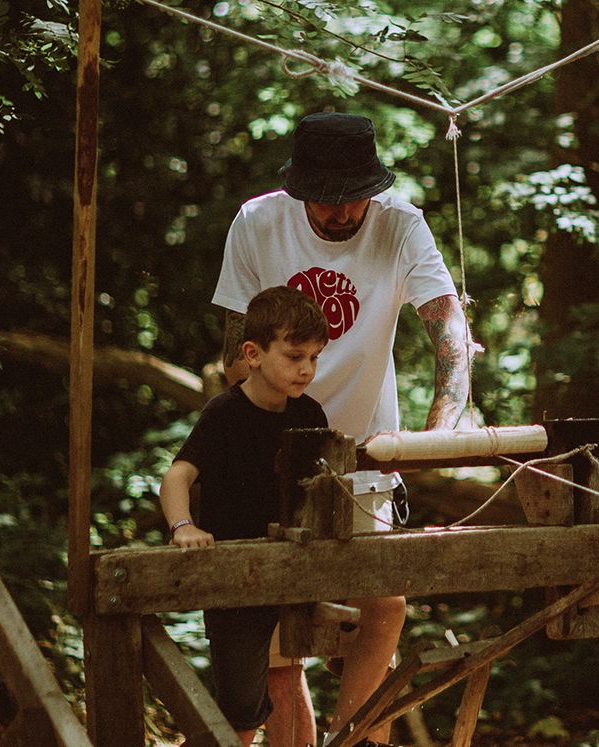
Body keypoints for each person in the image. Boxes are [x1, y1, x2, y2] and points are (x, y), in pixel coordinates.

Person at [213, 111, 472, 746]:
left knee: (384, 603)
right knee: (275, 627)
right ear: (299, 190)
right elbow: (232, 351)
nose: (338, 213)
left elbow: (451, 336)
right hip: (272, 447)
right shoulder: (257, 223)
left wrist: (437, 432)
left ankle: (353, 737)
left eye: (352, 197)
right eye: (323, 201)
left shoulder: (402, 224)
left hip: (366, 448)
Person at [160, 286, 330, 746]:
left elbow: (320, 489)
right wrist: (184, 526)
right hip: (234, 579)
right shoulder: (225, 413)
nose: (307, 369)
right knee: (238, 716)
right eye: (295, 356)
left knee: (288, 682)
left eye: (314, 357)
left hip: (290, 575)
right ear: (252, 354)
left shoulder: (310, 414)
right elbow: (177, 477)